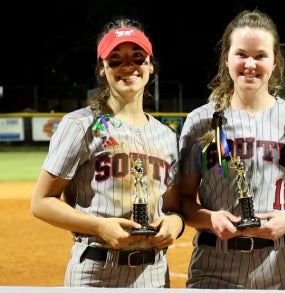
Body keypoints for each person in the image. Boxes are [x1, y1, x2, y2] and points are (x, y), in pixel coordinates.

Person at [30, 18, 185, 288]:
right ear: (102, 68)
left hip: (155, 275)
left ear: (150, 65)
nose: (128, 66)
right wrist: (98, 226)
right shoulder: (81, 124)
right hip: (96, 272)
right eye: (115, 59)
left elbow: (172, 208)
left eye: (137, 57)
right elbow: (41, 202)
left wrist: (175, 223)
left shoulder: (166, 136)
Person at [178, 10, 285, 290]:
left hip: (281, 268)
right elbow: (182, 201)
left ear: (275, 61)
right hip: (213, 266)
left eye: (260, 56)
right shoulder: (200, 121)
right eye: (241, 54)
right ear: (226, 58)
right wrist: (210, 219)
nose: (250, 64)